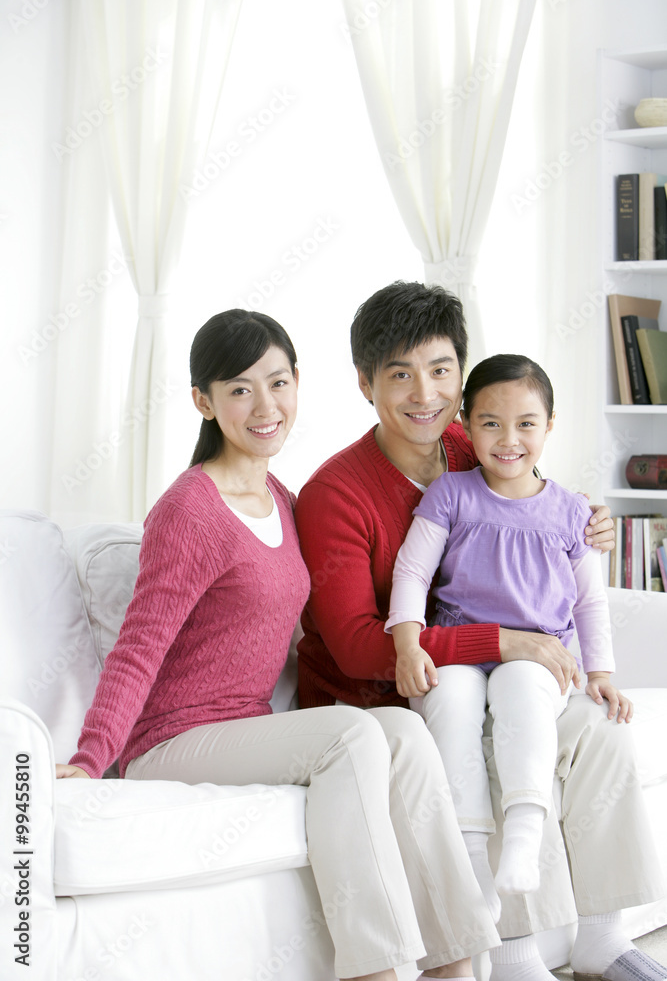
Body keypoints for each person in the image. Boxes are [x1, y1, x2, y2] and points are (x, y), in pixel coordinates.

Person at [56, 309, 501, 981]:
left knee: (402, 737)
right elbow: (138, 647)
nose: (265, 406)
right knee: (350, 736)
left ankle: (454, 967)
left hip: (247, 730)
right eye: (239, 389)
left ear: (299, 383)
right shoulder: (189, 511)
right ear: (203, 402)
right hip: (169, 743)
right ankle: (375, 970)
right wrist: (92, 760)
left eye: (278, 382)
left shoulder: (280, 498)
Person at [294, 283, 667, 981]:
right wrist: (503, 643)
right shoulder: (335, 493)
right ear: (363, 383)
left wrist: (590, 528)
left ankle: (600, 935)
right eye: (398, 374)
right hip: (382, 695)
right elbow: (354, 645)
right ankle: (517, 954)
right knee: (497, 734)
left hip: (480, 669)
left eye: (439, 371)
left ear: (461, 379)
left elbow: (530, 517)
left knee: (599, 726)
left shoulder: (472, 444)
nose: (422, 393)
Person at [385, 353, 631, 922]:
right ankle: (471, 860)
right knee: (450, 701)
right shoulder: (450, 493)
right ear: (466, 427)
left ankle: (523, 831)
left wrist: (601, 675)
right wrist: (407, 642)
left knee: (521, 686)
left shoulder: (573, 512)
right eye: (491, 423)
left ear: (549, 426)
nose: (508, 439)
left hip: (538, 655)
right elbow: (413, 572)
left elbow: (591, 600)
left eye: (526, 423)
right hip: (459, 646)